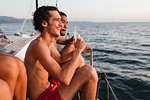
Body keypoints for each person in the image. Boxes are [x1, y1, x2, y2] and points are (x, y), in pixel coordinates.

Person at [24, 6, 98, 100]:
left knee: (79, 60)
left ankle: (84, 89)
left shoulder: (48, 42)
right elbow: (65, 79)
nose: (61, 25)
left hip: (50, 86)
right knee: (89, 71)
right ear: (44, 23)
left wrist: (77, 52)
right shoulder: (38, 45)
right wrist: (77, 51)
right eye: (57, 20)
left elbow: (59, 59)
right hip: (44, 97)